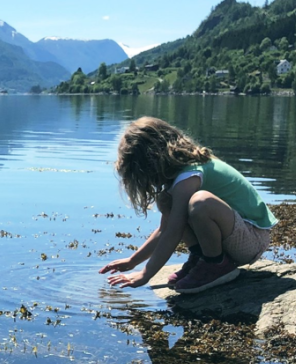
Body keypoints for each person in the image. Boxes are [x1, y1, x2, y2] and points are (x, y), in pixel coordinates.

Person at [98, 117, 277, 294]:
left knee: (201, 202)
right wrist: (132, 261)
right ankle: (201, 258)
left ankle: (216, 265)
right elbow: (165, 229)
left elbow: (174, 230)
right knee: (167, 201)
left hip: (252, 240)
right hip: (236, 236)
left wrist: (146, 274)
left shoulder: (189, 176)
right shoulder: (179, 178)